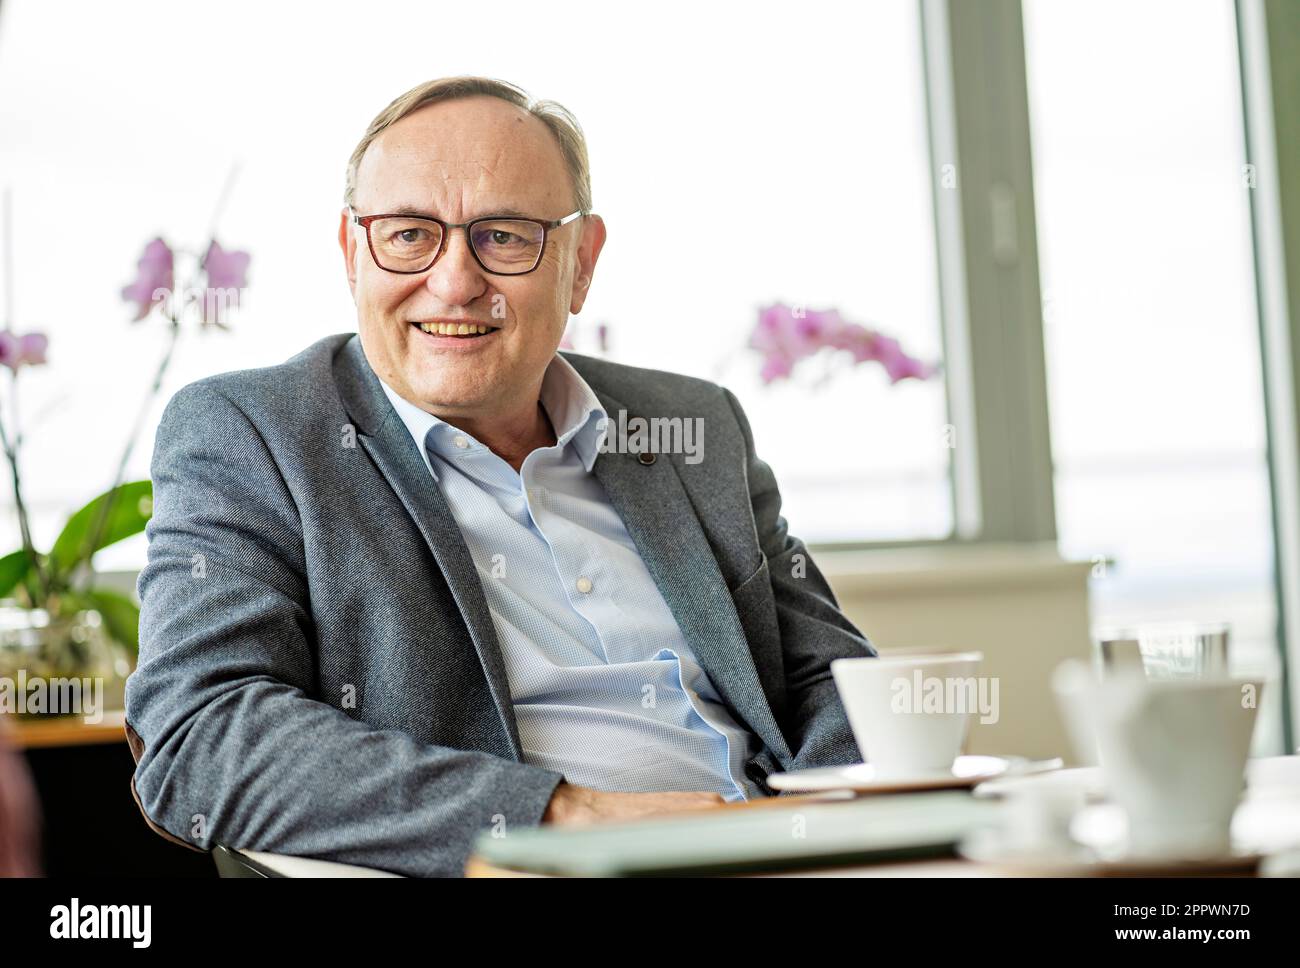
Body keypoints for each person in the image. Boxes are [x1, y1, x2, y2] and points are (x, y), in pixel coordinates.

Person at [125, 76, 876, 877]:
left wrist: (826, 827)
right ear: (352, 254)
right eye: (409, 234)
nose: (453, 282)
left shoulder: (694, 426)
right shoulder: (252, 433)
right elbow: (201, 733)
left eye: (506, 236)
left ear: (580, 263)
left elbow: (831, 680)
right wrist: (558, 817)